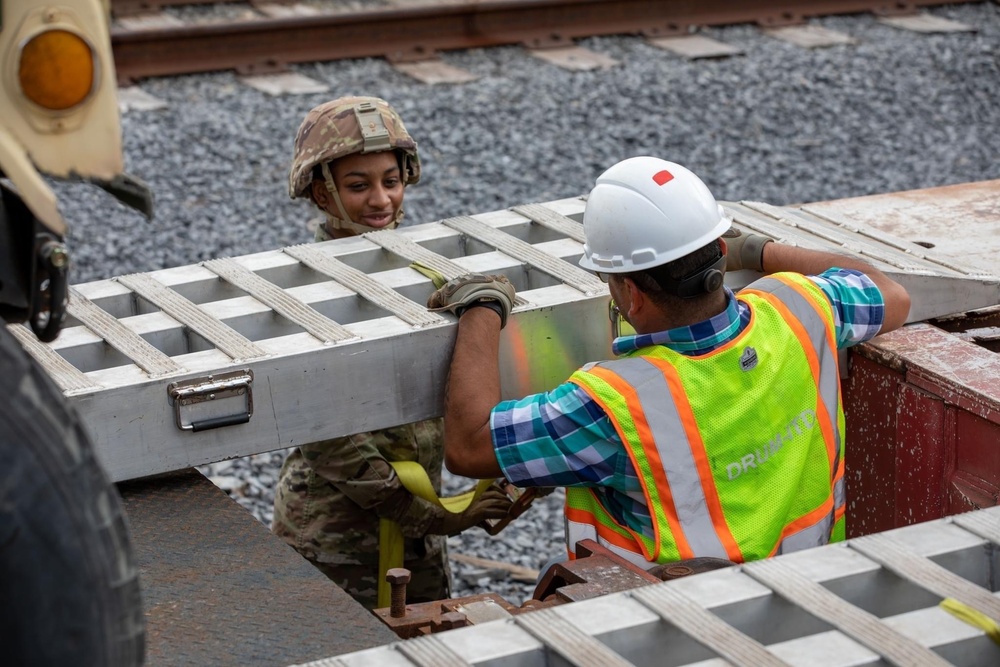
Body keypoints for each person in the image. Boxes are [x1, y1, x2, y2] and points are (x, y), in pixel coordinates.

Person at [427, 156, 911, 571]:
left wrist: (483, 310)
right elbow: (892, 293)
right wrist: (760, 251)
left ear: (632, 295)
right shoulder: (800, 308)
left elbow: (468, 447)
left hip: (675, 626)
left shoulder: (614, 406)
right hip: (809, 586)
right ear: (720, 252)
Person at [272, 95, 512, 610]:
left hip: (416, 529)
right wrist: (439, 516)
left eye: (391, 181)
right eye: (358, 185)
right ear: (321, 193)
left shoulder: (422, 265)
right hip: (337, 543)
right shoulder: (305, 287)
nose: (381, 200)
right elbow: (327, 436)